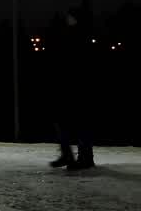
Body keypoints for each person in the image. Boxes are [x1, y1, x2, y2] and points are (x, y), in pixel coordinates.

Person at [46, 9, 95, 170]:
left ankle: (81, 157)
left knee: (77, 123)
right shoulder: (74, 35)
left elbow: (72, 61)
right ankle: (71, 155)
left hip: (76, 86)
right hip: (72, 85)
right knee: (67, 122)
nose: (67, 19)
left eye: (70, 16)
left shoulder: (77, 36)